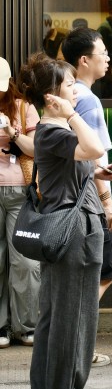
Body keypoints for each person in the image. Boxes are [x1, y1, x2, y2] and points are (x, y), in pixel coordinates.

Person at [21, 53, 112, 389]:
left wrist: (96, 177)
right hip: (75, 233)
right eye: (68, 85)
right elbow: (95, 148)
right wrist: (73, 113)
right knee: (75, 317)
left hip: (66, 230)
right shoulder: (55, 129)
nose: (75, 90)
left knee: (55, 314)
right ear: (52, 97)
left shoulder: (49, 132)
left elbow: (85, 161)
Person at [61, 28, 112, 367]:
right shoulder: (86, 99)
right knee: (99, 274)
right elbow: (91, 154)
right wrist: (107, 201)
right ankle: (77, 344)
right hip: (88, 200)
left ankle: (75, 343)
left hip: (77, 197)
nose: (108, 57)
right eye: (102, 52)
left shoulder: (73, 96)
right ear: (84, 59)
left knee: (94, 273)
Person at [0, 58, 39, 351]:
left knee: (24, 261)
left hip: (20, 189)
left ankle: (26, 326)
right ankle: (1, 326)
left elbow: (36, 149)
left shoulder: (24, 108)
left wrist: (13, 133)